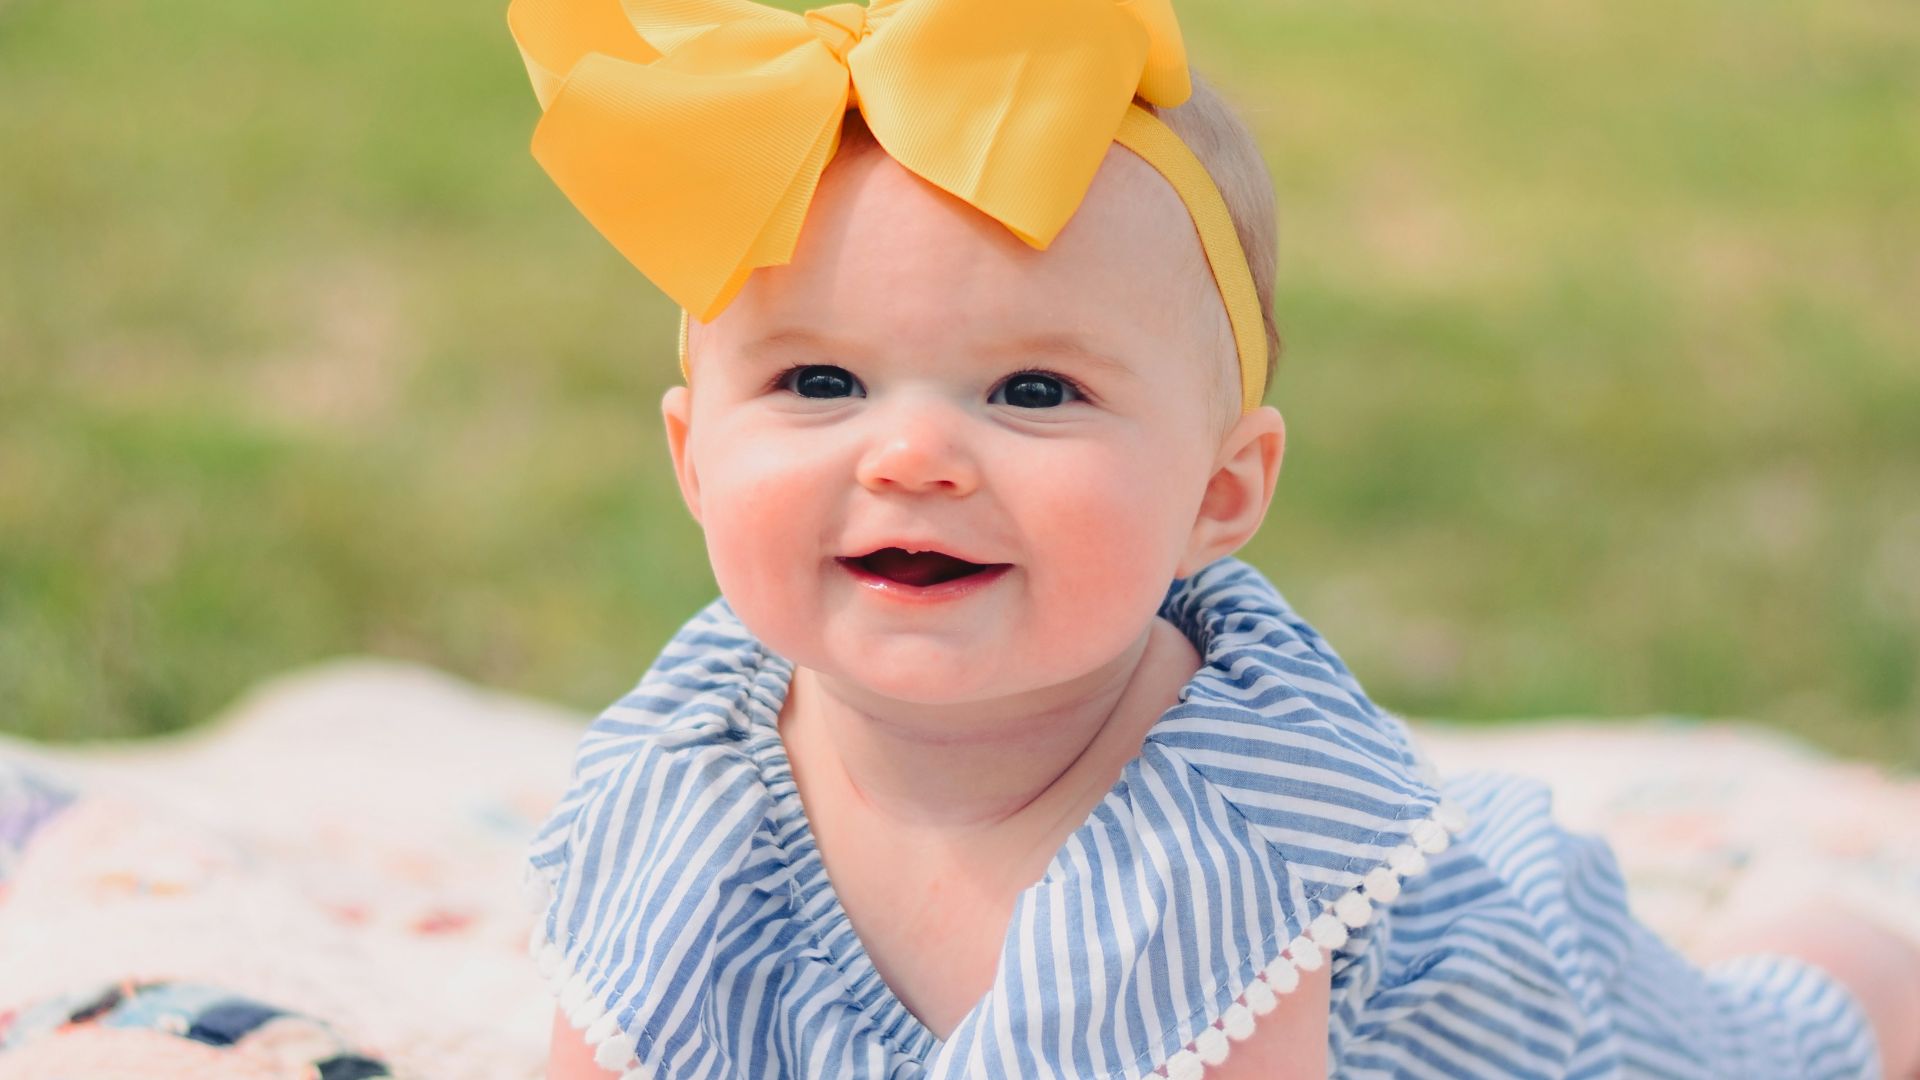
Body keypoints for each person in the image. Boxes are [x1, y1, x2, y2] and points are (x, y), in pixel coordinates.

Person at [505, 0, 1920, 1076]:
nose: (914, 455)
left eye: (1035, 391)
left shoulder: (1228, 838)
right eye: (819, 382)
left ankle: (1844, 950)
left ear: (1219, 496)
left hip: (1534, 1020)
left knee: (1789, 1033)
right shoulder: (679, 769)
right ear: (693, 457)